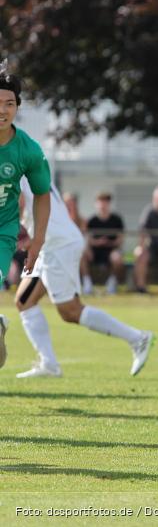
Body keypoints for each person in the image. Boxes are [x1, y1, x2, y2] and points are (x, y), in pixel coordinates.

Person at [15, 179, 153, 377]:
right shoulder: (26, 155)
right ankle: (49, 364)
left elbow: (17, 203)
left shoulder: (11, 159)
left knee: (70, 311)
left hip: (56, 244)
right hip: (50, 243)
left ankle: (138, 338)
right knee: (24, 301)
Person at [0, 68, 51, 370]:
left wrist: (38, 240)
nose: (2, 110)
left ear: (17, 107)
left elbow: (42, 194)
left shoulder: (28, 150)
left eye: (9, 103)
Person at [85, 192, 126, 294]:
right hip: (95, 252)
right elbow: (88, 239)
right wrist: (97, 242)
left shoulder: (117, 220)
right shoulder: (91, 221)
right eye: (101, 202)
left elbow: (120, 239)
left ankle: (112, 282)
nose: (103, 205)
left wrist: (110, 243)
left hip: (111, 250)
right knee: (82, 255)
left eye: (106, 202)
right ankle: (87, 283)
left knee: (117, 257)